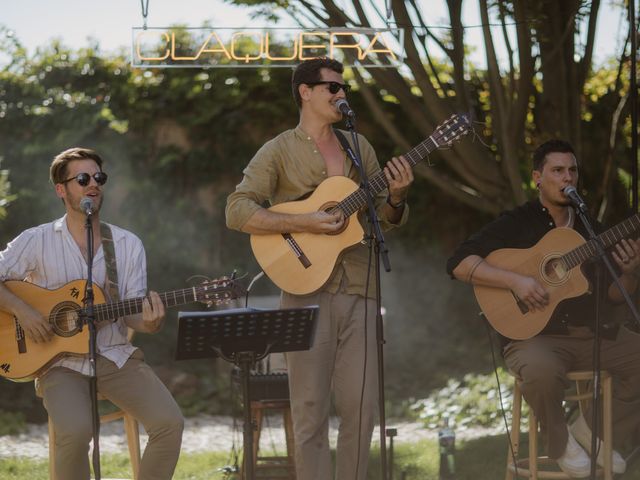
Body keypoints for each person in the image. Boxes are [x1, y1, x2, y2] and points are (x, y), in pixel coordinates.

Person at [225, 57, 413, 480]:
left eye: (343, 88)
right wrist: (303, 222)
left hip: (360, 288)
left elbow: (380, 220)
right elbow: (237, 210)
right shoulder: (277, 150)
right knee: (309, 412)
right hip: (304, 290)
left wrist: (397, 197)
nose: (341, 94)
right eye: (332, 87)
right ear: (305, 92)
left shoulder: (358, 147)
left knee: (362, 408)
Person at [446, 139, 640, 477]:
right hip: (534, 339)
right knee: (540, 371)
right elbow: (459, 263)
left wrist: (628, 271)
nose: (567, 177)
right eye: (557, 170)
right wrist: (516, 282)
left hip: (592, 335)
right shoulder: (517, 223)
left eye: (572, 170)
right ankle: (560, 442)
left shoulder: (591, 228)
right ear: (538, 177)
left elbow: (614, 296)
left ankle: (592, 430)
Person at [0, 148, 184, 480]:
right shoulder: (36, 240)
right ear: (61, 189)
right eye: (82, 178)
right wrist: (24, 312)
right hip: (57, 364)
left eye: (99, 178)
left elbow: (132, 315)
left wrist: (150, 323)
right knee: (76, 431)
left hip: (114, 356)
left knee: (169, 423)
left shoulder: (127, 245)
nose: (92, 185)